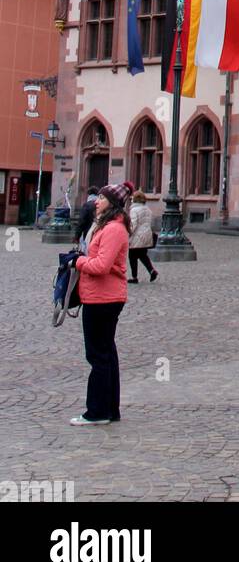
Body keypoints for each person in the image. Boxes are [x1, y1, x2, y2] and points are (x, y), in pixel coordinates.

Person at [70, 182, 133, 426]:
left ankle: (96, 411)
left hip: (103, 298)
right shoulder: (107, 226)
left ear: (113, 203)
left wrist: (78, 262)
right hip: (100, 296)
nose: (97, 201)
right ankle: (109, 409)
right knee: (106, 353)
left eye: (102, 198)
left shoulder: (114, 229)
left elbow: (101, 266)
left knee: (97, 355)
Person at [127, 191, 158, 284]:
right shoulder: (148, 209)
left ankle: (134, 277)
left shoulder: (134, 210)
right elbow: (151, 223)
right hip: (146, 235)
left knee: (132, 256)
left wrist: (128, 233)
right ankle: (152, 271)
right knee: (142, 255)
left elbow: (133, 224)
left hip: (137, 236)